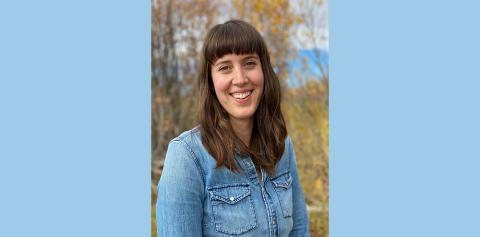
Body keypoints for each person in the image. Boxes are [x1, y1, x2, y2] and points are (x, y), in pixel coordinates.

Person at [156, 19, 309, 237]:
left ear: (264, 71)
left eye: (249, 63)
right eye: (225, 67)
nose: (240, 79)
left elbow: (299, 230)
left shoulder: (282, 145)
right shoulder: (187, 157)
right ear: (210, 82)